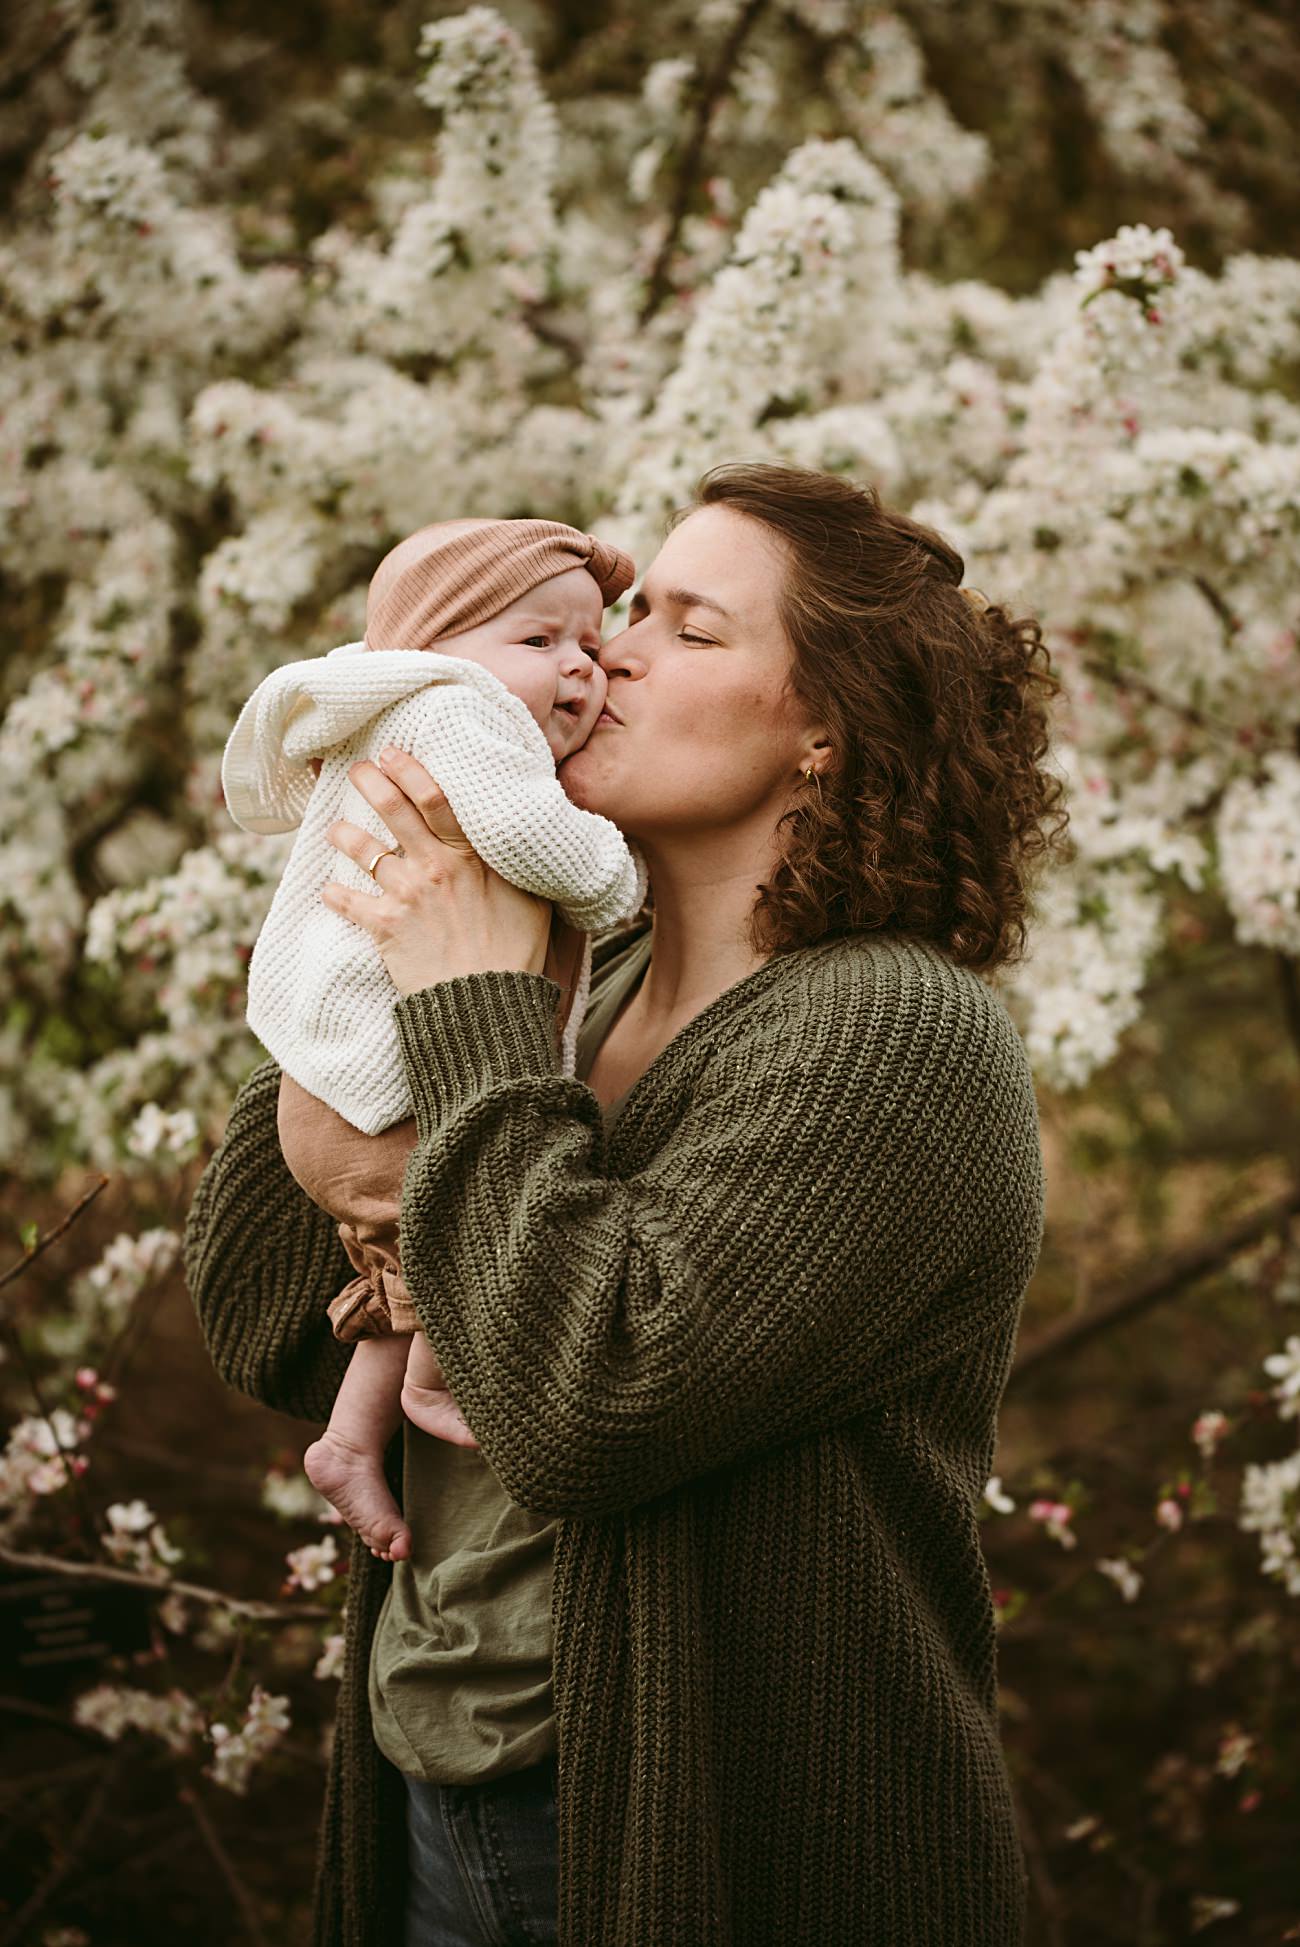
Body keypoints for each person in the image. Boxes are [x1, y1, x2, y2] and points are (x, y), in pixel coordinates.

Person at [184, 460, 1069, 1947]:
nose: (610, 650)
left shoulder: (893, 1035)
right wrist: (358, 945)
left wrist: (464, 999)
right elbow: (265, 1317)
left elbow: (594, 1400)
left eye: (691, 627)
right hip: (430, 1802)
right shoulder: (567, 988)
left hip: (714, 1843)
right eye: (623, 607)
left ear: (825, 736)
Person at [218, 517, 645, 1565]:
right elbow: (529, 837)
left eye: (590, 646)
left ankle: (353, 1437)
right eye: (538, 642)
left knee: (410, 1248)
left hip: (338, 1090)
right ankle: (435, 1375)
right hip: (376, 1088)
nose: (583, 671)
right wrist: (616, 875)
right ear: (433, 646)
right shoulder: (461, 715)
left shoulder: (419, 709)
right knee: (460, 1233)